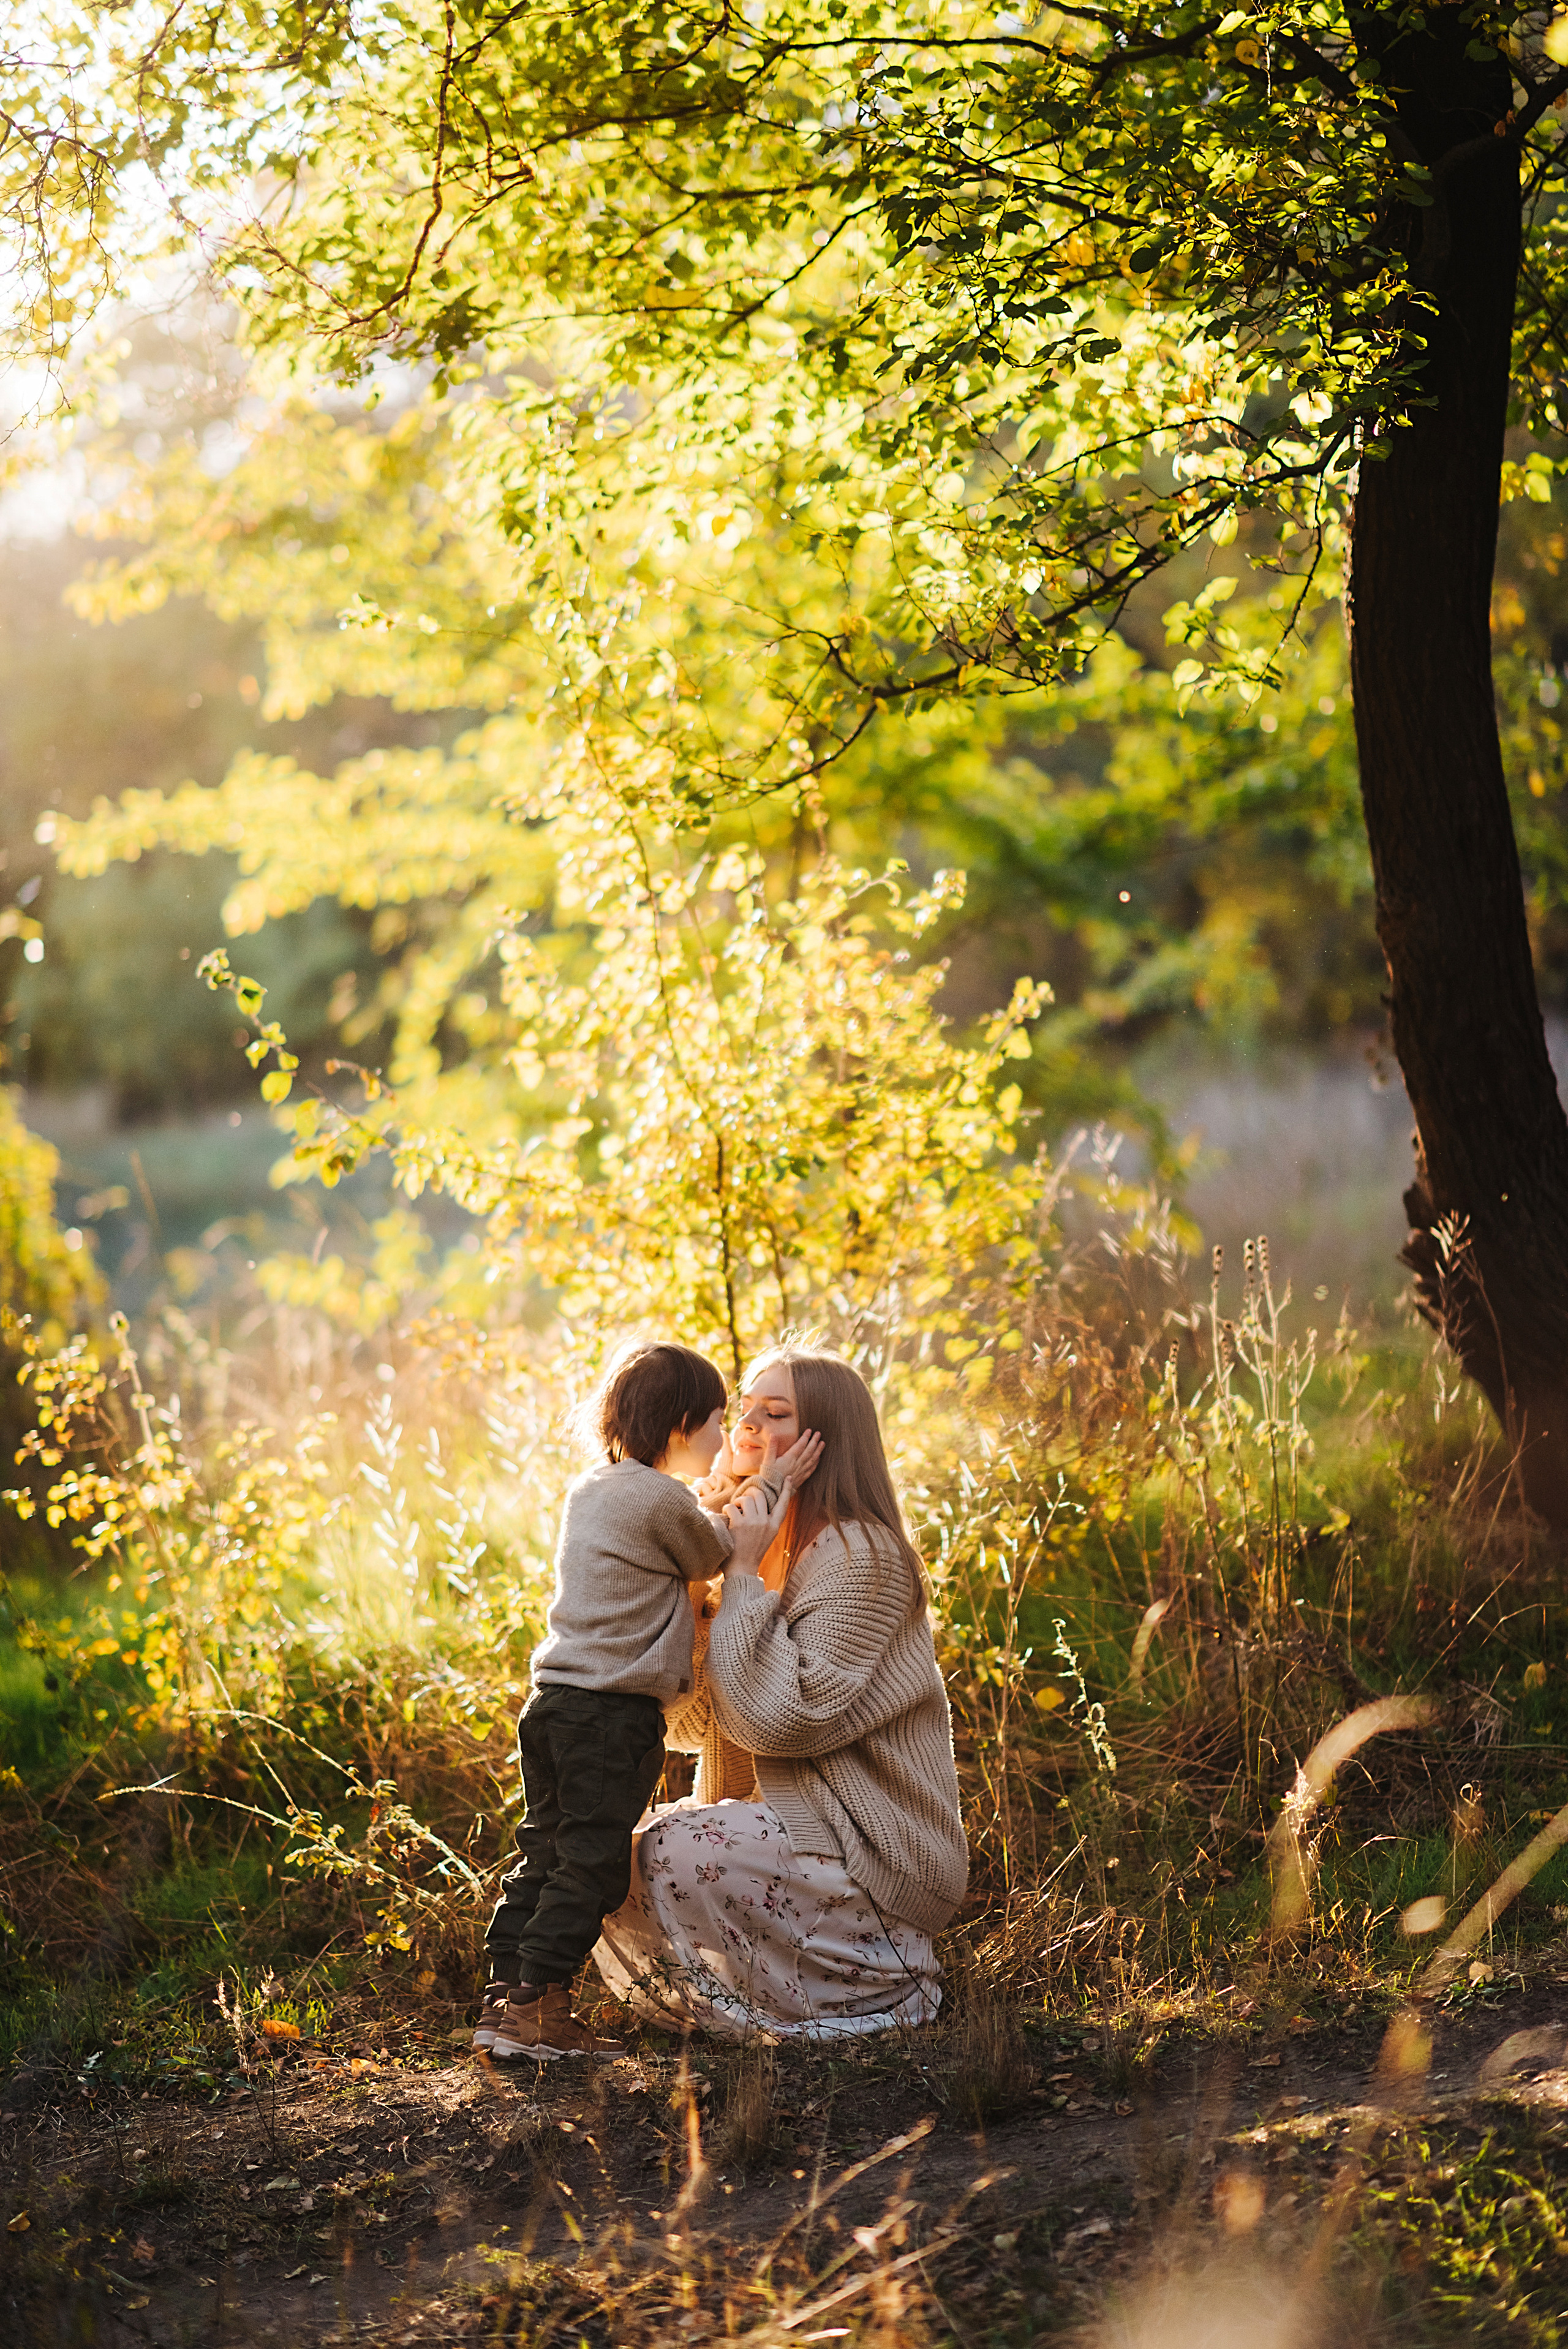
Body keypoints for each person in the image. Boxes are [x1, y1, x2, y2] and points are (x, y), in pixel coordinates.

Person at [594, 1345, 969, 2040]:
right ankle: (758, 2004)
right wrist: (697, 1590)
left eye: (777, 1414)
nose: (748, 1428)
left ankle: (879, 1979)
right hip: (784, 1835)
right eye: (744, 1411)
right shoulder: (755, 1543)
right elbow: (688, 1723)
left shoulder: (862, 1556)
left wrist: (738, 1578)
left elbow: (781, 1724)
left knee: (674, 1848)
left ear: (828, 1440)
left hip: (864, 1851)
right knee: (603, 1852)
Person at [473, 1339, 819, 2061]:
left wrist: (714, 1499)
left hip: (554, 1702)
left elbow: (692, 1536)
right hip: (610, 1714)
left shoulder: (596, 1488)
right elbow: (718, 1550)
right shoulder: (660, 1497)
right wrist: (775, 1481)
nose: (728, 1439)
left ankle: (504, 2002)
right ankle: (541, 2007)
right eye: (719, 1423)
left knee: (544, 1848)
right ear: (680, 1425)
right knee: (593, 1859)